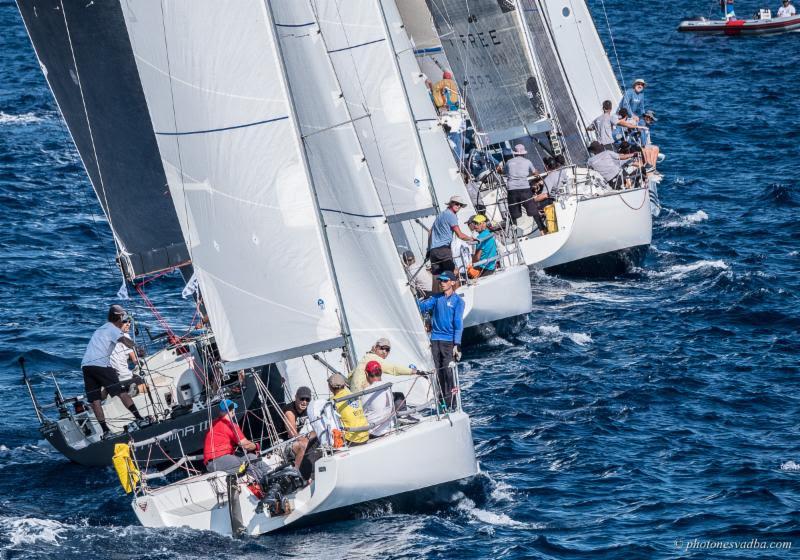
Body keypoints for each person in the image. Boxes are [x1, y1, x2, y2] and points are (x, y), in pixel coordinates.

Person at [81, 304, 144, 436]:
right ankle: (139, 419)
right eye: (123, 317)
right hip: (101, 365)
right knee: (121, 392)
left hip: (86, 366)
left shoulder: (99, 329)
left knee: (95, 400)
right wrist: (137, 348)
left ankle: (105, 431)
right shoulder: (113, 329)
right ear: (119, 318)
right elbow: (125, 341)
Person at [417, 271, 465, 410]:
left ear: (452, 282)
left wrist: (457, 345)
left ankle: (452, 402)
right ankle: (442, 401)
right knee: (438, 372)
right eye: (441, 281)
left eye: (445, 280)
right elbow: (423, 307)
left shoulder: (458, 302)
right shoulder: (436, 298)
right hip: (435, 340)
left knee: (448, 373)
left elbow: (458, 323)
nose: (442, 283)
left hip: (448, 342)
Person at [204, 399, 268, 483]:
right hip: (216, 461)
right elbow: (246, 445)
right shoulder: (230, 425)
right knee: (245, 464)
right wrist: (256, 446)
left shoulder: (215, 423)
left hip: (217, 460)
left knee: (252, 458)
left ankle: (270, 474)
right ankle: (265, 483)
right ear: (232, 411)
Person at [428, 195, 473, 292]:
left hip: (433, 251)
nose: (458, 206)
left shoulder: (441, 214)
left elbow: (430, 232)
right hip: (444, 250)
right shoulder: (451, 215)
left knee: (437, 278)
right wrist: (472, 239)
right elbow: (460, 235)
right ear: (451, 203)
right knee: (453, 275)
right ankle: (457, 296)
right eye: (456, 203)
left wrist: (429, 250)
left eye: (460, 205)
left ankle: (435, 300)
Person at [500, 144, 548, 235]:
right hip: (525, 189)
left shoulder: (509, 162)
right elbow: (535, 174)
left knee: (513, 213)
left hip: (512, 190)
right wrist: (536, 173)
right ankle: (543, 230)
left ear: (514, 153)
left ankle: (515, 234)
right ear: (523, 153)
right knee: (534, 211)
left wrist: (499, 170)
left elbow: (503, 172)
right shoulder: (528, 162)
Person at [349, 337, 419, 392]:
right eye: (382, 348)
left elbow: (350, 375)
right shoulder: (373, 358)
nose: (384, 352)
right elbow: (393, 368)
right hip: (362, 397)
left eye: (387, 350)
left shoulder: (366, 357)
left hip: (356, 397)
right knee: (399, 396)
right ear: (376, 348)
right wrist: (414, 371)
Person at [281, 386, 318, 479]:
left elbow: (316, 428)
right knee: (303, 444)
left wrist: (315, 434)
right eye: (302, 398)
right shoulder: (289, 411)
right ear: (296, 397)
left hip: (300, 440)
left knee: (319, 439)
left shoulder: (309, 409)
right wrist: (307, 439)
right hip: (284, 444)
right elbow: (292, 434)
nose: (304, 402)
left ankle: (314, 472)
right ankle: (296, 471)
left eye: (307, 399)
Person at [328, 373, 369, 446]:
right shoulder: (352, 394)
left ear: (330, 387)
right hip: (366, 434)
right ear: (344, 384)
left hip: (352, 439)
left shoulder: (333, 402)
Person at [360, 361, 396, 438]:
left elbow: (361, 411)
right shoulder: (388, 386)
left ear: (366, 373)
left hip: (374, 432)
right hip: (389, 427)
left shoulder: (366, 391)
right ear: (381, 372)